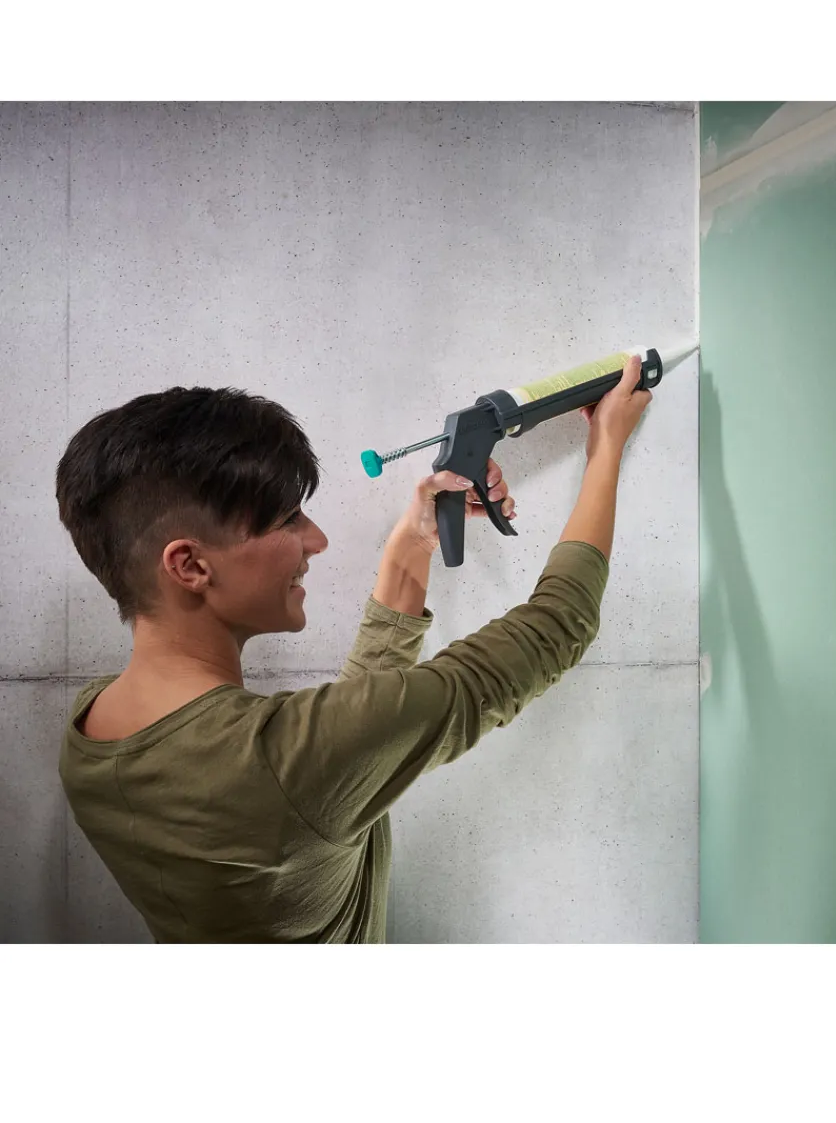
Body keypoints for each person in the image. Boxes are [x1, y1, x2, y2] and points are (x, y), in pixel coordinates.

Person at [55, 355, 652, 942]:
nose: (316, 539)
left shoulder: (92, 731)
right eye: (287, 520)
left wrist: (413, 540)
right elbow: (558, 626)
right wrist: (605, 448)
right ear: (189, 565)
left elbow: (342, 742)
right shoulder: (282, 761)